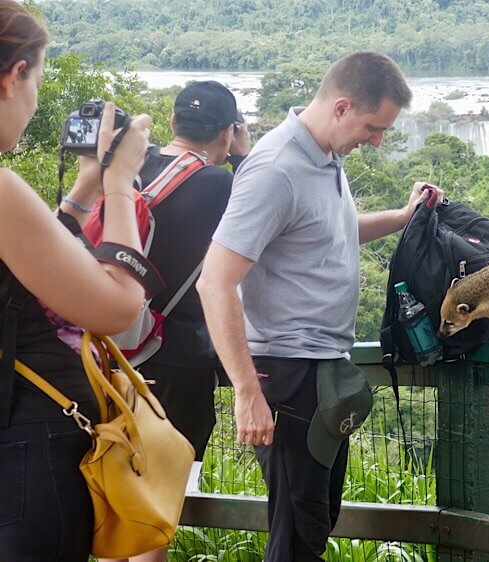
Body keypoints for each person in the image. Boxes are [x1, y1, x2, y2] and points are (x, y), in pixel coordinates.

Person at [197, 51, 442, 561]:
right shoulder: (276, 169)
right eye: (374, 127)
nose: (376, 141)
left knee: (317, 517)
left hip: (322, 372)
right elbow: (214, 282)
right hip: (288, 378)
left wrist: (403, 215)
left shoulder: (327, 157)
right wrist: (246, 391)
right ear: (342, 106)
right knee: (297, 531)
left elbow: (333, 230)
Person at [61, 80, 250, 562]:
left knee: (111, 500)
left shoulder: (127, 167)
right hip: (177, 361)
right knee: (155, 516)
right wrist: (243, 158)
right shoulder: (223, 184)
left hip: (103, 357)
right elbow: (267, 215)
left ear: (170, 124)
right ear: (229, 133)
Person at [0, 1, 155, 560]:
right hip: (26, 455)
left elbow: (18, 275)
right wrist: (119, 184)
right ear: (14, 76)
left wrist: (84, 189)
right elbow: (117, 308)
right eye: (37, 79)